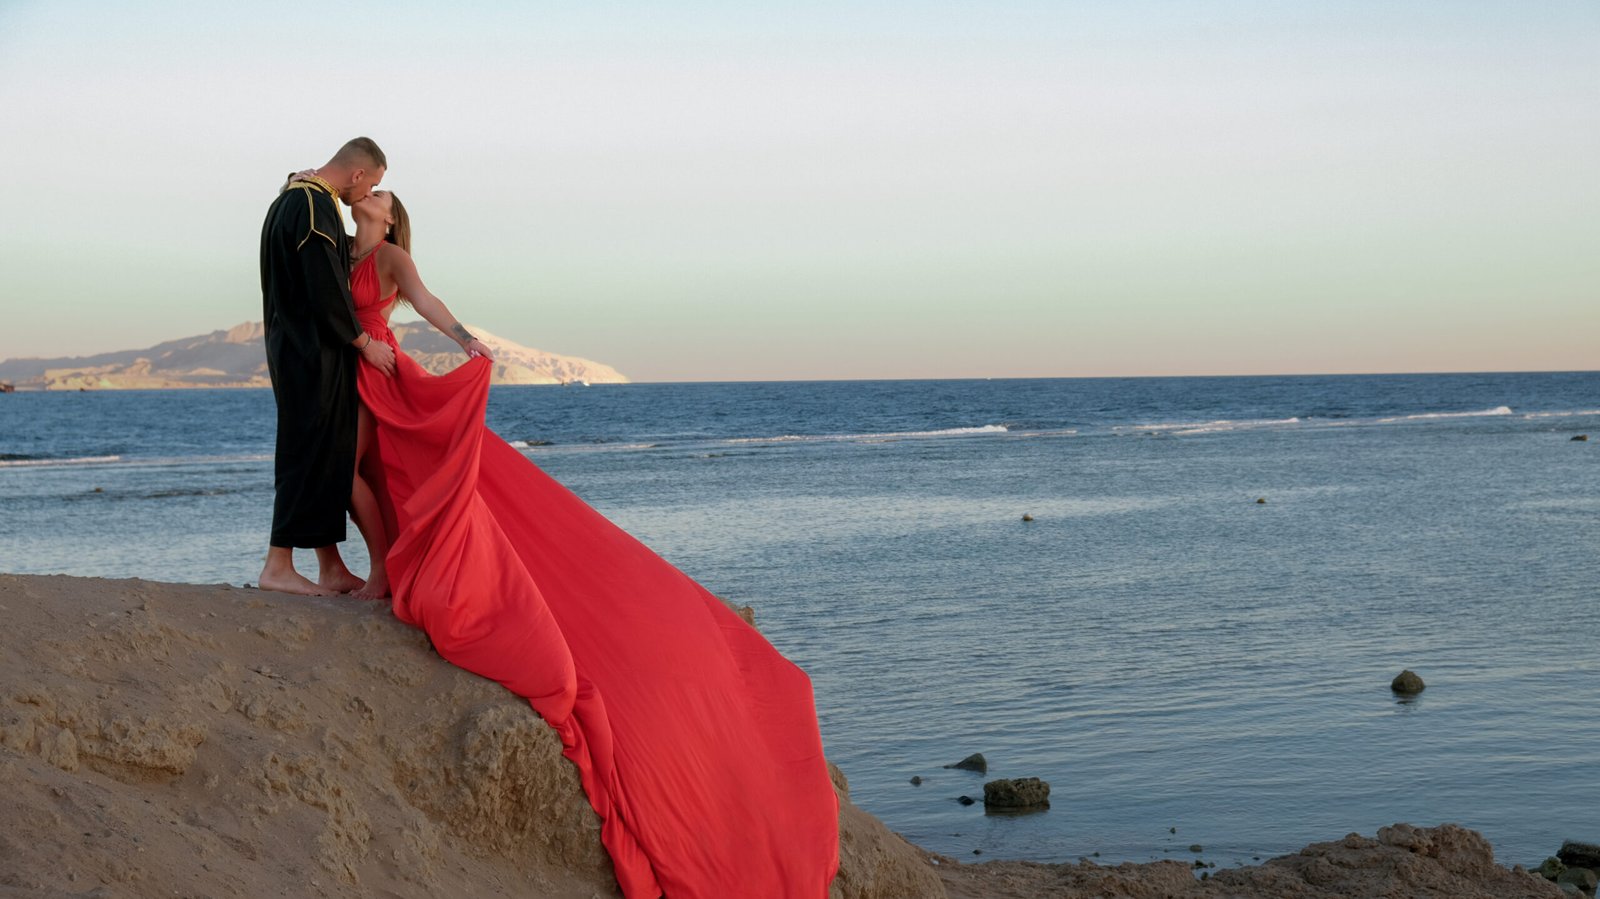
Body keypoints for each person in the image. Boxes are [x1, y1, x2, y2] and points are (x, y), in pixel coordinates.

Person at [342, 190, 841, 897]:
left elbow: (425, 301)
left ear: (390, 218)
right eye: (369, 190)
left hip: (388, 369)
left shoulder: (389, 255)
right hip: (358, 364)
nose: (373, 198)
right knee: (365, 473)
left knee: (386, 471)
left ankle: (381, 574)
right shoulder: (339, 249)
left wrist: (464, 343)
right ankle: (379, 570)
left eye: (382, 196)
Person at [257, 137, 396, 596]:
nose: (368, 192)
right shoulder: (315, 207)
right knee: (306, 452)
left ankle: (332, 568)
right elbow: (324, 286)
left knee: (319, 455)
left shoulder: (294, 199)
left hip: (294, 345)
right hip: (311, 350)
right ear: (357, 175)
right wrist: (363, 343)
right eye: (372, 183)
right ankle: (278, 566)